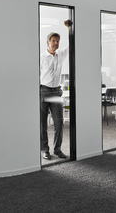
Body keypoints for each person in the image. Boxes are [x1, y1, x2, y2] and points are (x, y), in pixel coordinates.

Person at [40, 19, 72, 160]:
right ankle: (44, 150)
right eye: (53, 41)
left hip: (56, 92)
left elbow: (72, 44)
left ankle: (57, 149)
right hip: (43, 91)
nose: (56, 43)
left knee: (59, 123)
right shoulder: (41, 57)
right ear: (48, 42)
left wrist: (69, 28)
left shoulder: (61, 54)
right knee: (43, 124)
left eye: (58, 41)